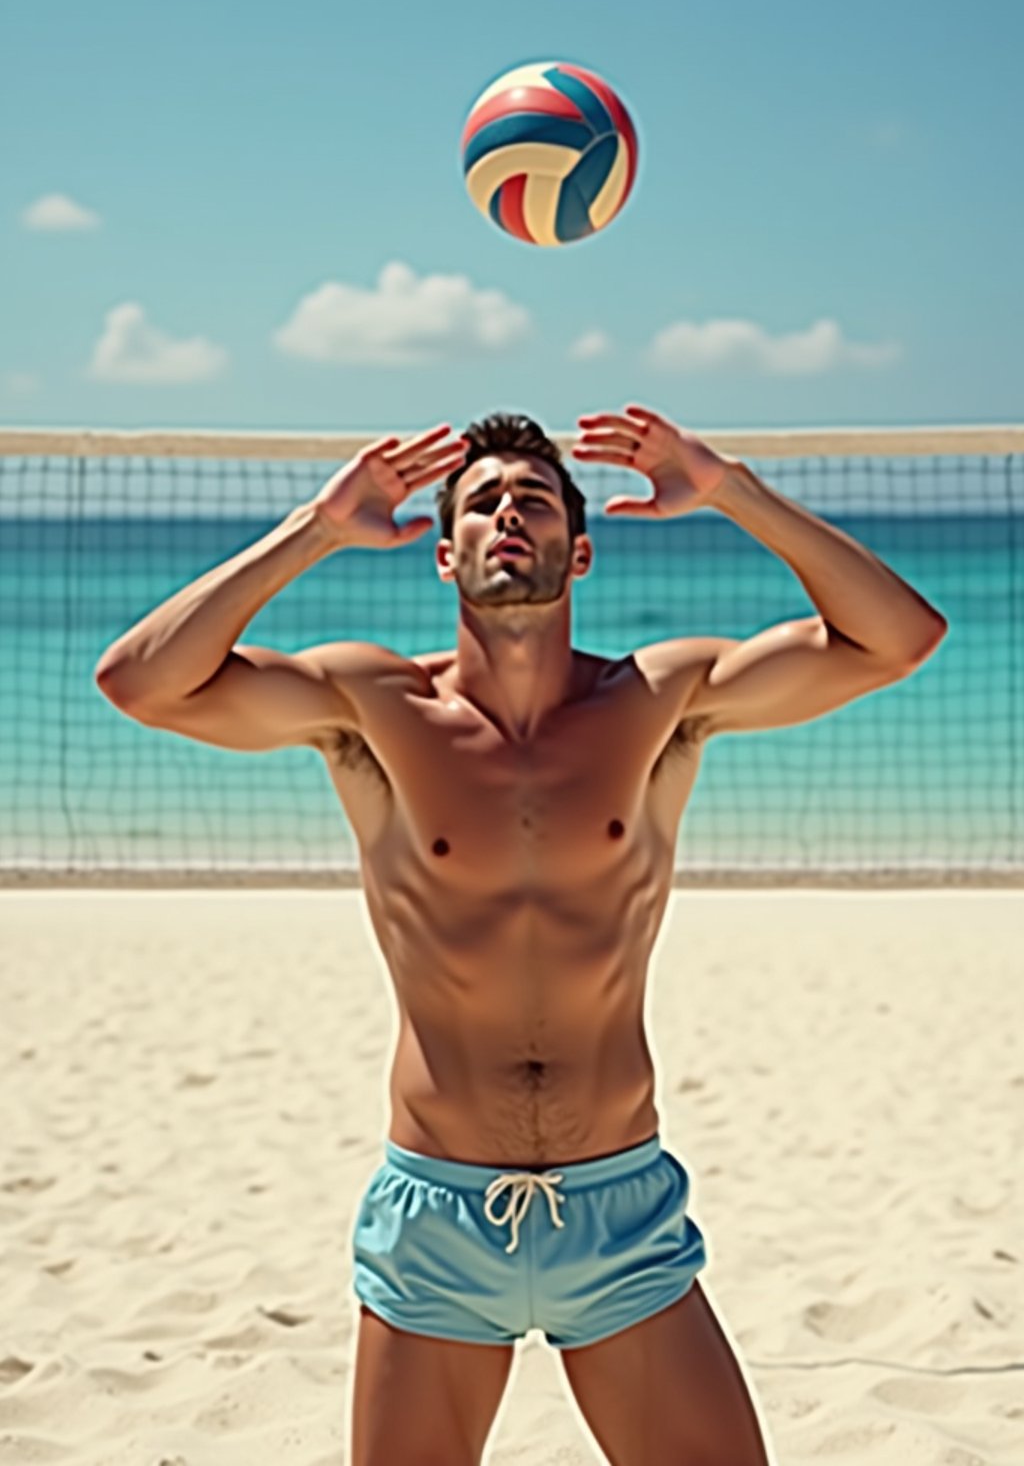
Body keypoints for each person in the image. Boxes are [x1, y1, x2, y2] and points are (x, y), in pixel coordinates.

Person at [94, 405, 947, 1466]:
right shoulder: (372, 705)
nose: (509, 512)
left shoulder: (657, 698)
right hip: (439, 1213)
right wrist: (316, 527)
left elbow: (899, 638)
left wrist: (726, 485)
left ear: (577, 550)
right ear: (441, 553)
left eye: (534, 500)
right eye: (483, 501)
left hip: (617, 1210)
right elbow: (138, 681)